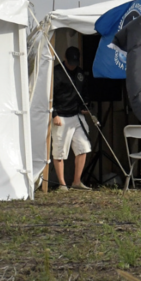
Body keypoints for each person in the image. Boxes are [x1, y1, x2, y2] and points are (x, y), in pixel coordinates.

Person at [51, 46, 92, 191]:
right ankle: (62, 184)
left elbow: (85, 93)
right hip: (61, 115)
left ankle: (76, 181)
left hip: (76, 115)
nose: (73, 66)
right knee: (59, 150)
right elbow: (50, 96)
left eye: (75, 62)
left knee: (83, 147)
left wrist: (85, 106)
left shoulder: (80, 73)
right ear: (65, 59)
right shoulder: (57, 72)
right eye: (70, 62)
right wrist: (54, 114)